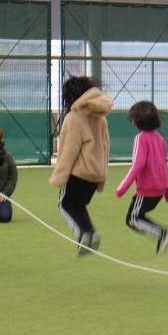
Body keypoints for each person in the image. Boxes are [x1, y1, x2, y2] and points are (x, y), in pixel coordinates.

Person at [49, 76, 112, 256]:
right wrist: (102, 176)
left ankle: (84, 233)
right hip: (96, 174)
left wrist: (60, 176)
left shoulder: (73, 117)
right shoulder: (101, 118)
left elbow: (68, 150)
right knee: (79, 205)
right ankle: (90, 234)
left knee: (65, 205)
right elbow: (106, 146)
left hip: (78, 173)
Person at [115, 101, 168, 256]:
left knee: (132, 219)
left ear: (138, 121)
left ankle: (161, 234)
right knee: (137, 216)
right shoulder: (160, 138)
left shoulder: (140, 138)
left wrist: (123, 187)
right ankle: (161, 235)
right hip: (159, 191)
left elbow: (138, 164)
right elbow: (164, 165)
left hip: (147, 190)